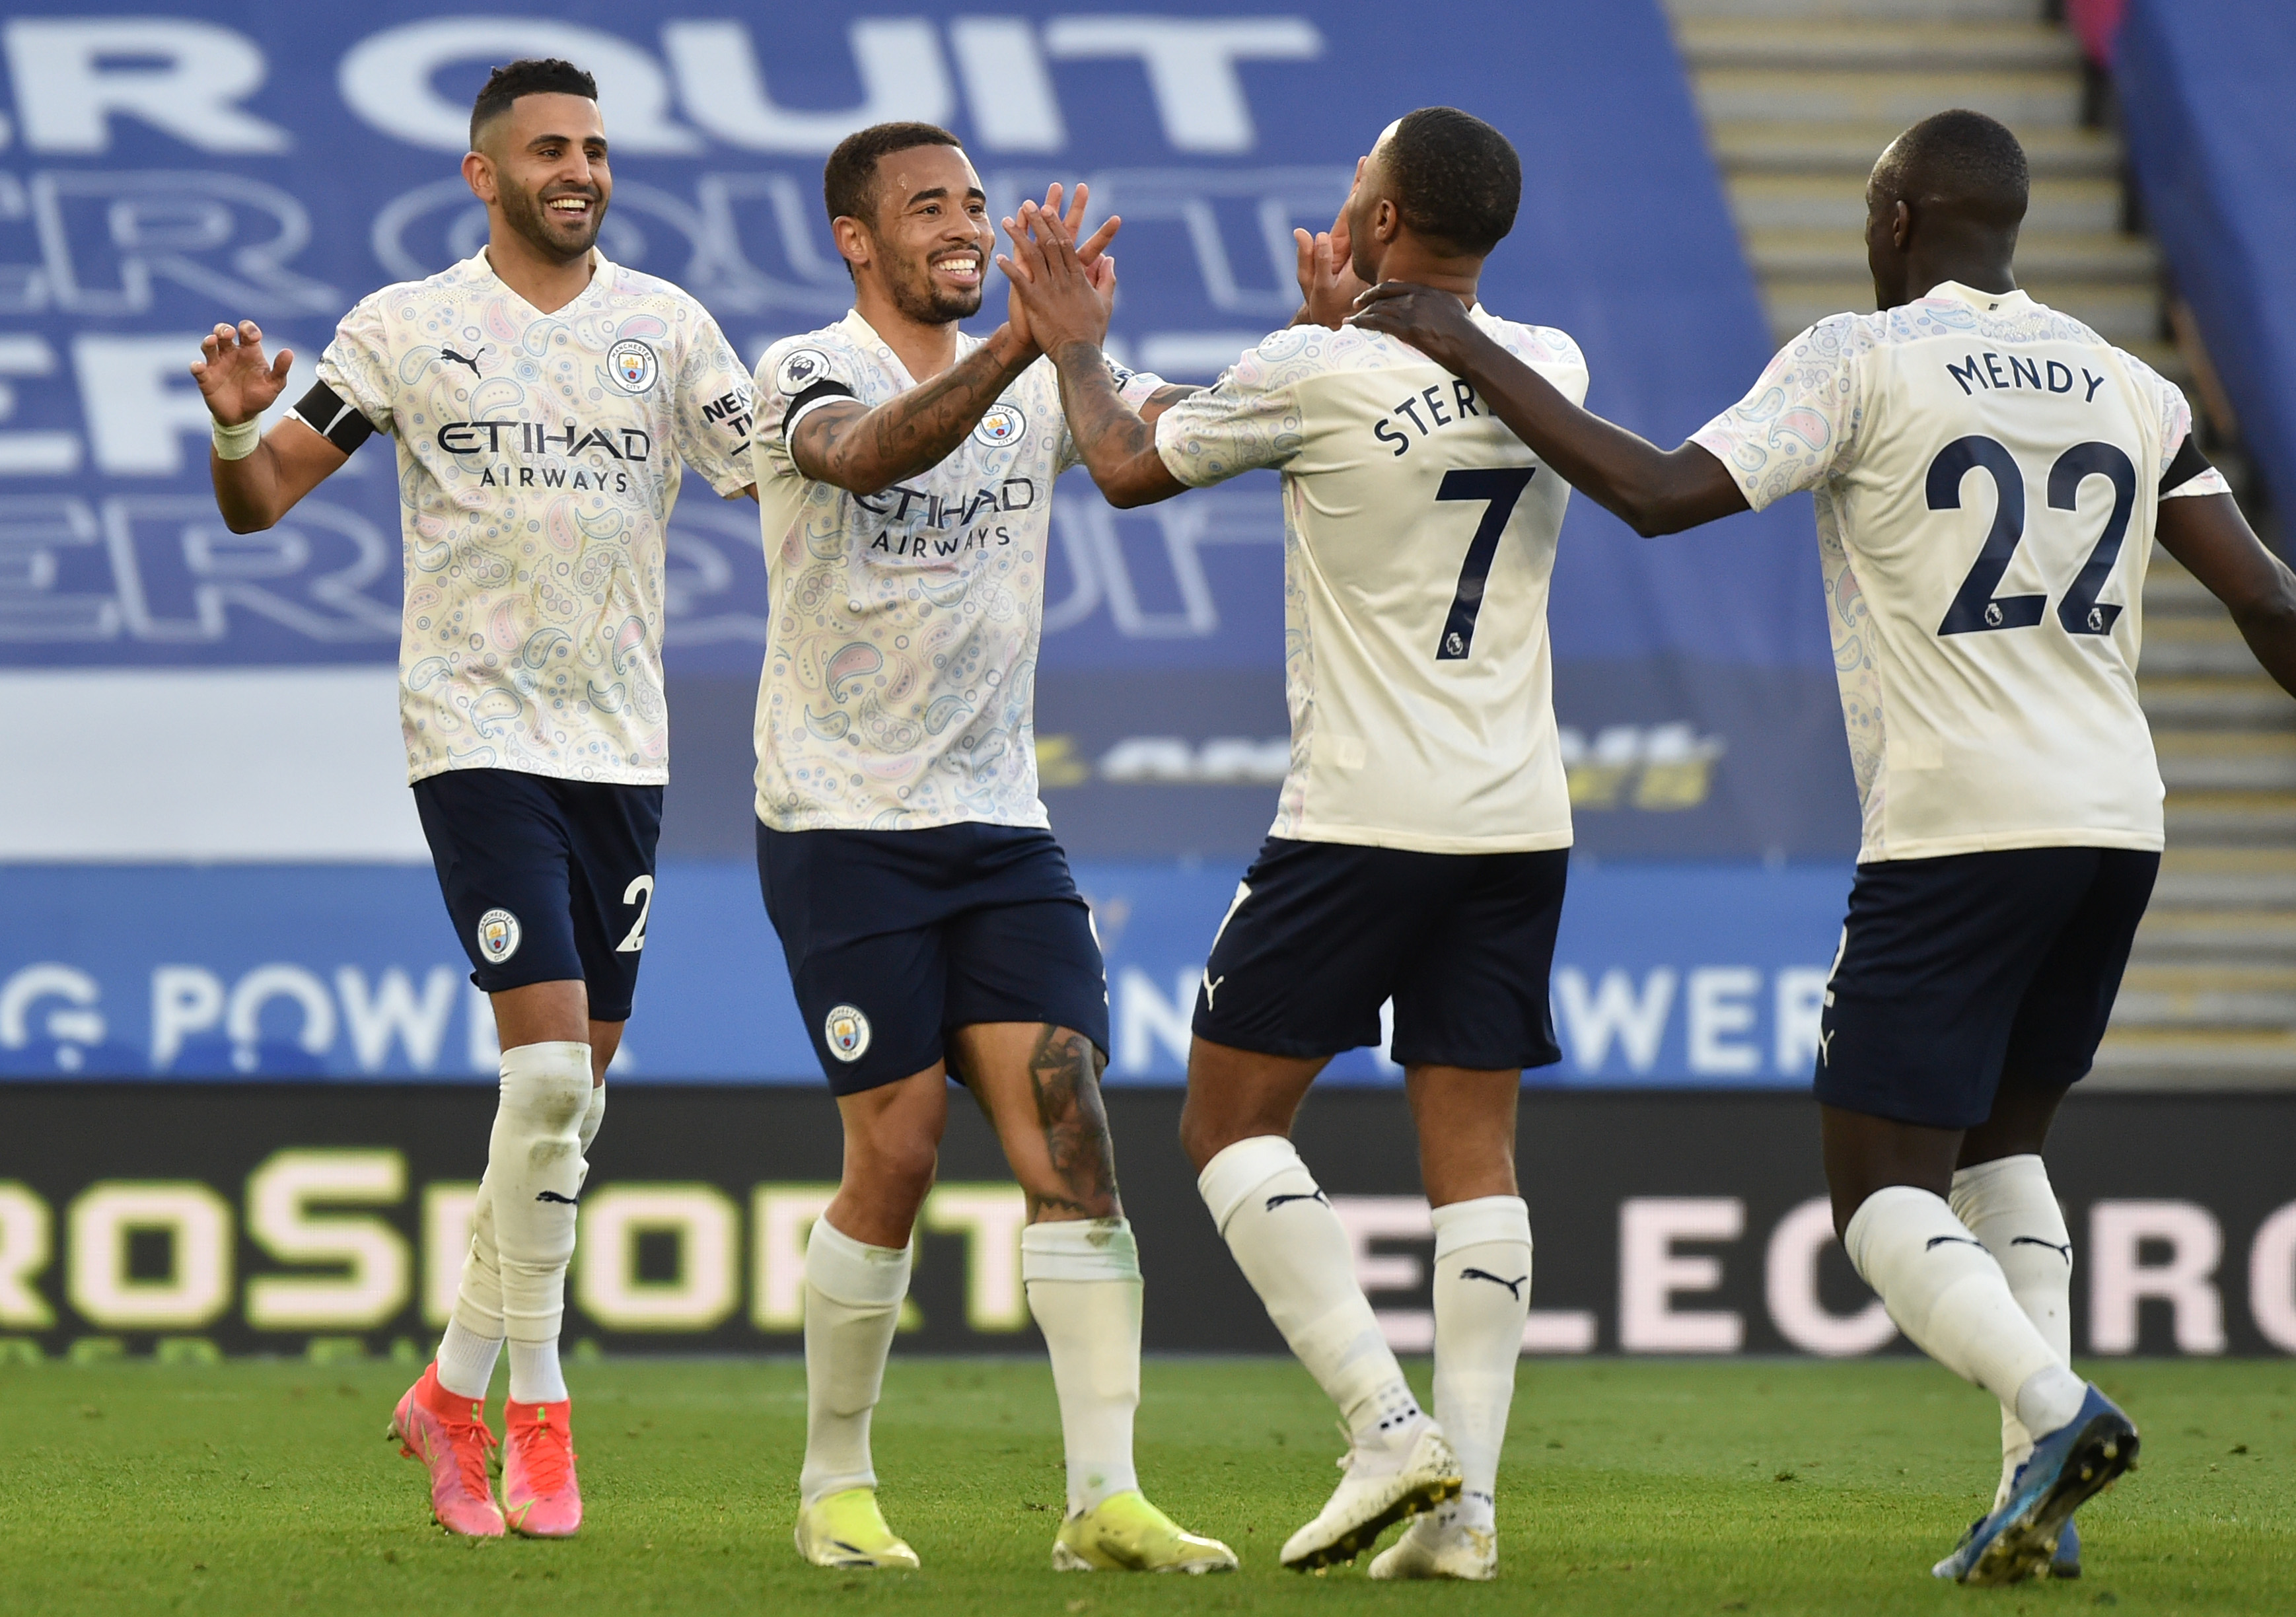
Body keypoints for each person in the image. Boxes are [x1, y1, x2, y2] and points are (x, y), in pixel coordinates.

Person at [1349, 107, 2296, 1585]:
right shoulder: (2134, 386)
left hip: (1956, 828)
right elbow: (2271, 607)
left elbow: (1660, 495)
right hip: (2117, 822)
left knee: (1876, 1200)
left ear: (1900, 221)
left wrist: (1469, 348)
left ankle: (2052, 1407)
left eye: (1871, 214)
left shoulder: (1858, 363)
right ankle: (2025, 1500)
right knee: (2004, 1151)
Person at [998, 106, 1586, 1581]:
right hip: (1518, 819)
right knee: (1476, 1160)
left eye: (1355, 191)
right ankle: (1468, 1518)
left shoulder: (1308, 371)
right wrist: (1335, 334)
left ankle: (1386, 1430)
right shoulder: (1556, 366)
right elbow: (1401, 404)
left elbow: (1127, 466)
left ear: (1384, 225)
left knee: (1224, 1123)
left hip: (1361, 822)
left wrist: (1073, 339)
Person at [191, 58, 758, 1540]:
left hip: (624, 750)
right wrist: (241, 428)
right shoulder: (407, 327)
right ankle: (542, 1418)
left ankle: (446, 1393)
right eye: (549, 149)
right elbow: (261, 503)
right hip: (477, 733)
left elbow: (792, 474)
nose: (580, 169)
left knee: (567, 1112)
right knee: (553, 1081)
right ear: (483, 174)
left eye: (594, 148)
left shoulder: (669, 329)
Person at [748, 120, 1233, 1576]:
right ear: (857, 237)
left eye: (975, 202)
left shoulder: (1035, 372)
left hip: (999, 823)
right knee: (894, 1153)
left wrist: (1319, 356)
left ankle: (1105, 1499)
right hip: (840, 825)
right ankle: (833, 1487)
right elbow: (861, 456)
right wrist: (1023, 348)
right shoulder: (802, 371)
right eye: (925, 207)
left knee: (1071, 1130)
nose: (960, 223)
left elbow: (1160, 439)